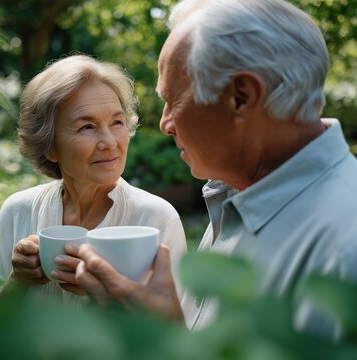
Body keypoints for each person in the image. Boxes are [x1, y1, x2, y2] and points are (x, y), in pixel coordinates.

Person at [67, 0, 357, 339]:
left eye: (172, 100)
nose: (165, 124)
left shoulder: (346, 250)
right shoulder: (237, 193)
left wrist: (164, 339)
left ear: (241, 97)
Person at [0, 54, 187, 310]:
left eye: (117, 122)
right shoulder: (18, 210)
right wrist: (17, 283)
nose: (110, 142)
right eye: (87, 127)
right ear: (49, 146)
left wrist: (106, 297)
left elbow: (177, 333)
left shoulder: (155, 218)